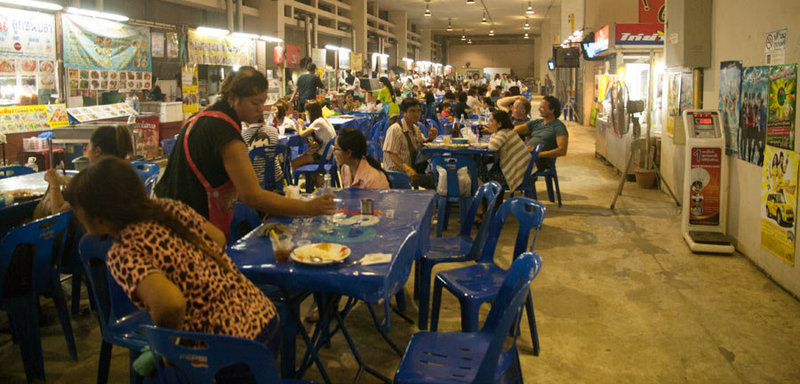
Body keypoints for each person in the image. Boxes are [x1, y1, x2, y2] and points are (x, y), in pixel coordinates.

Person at [64, 156, 282, 356]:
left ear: (100, 217)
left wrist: (169, 346)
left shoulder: (123, 251)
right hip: (264, 320)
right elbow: (217, 238)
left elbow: (170, 303)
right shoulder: (169, 208)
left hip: (226, 348)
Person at [155, 66, 335, 234]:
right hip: (186, 225)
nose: (260, 110)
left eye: (262, 103)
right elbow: (252, 195)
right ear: (233, 98)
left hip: (173, 214)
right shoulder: (223, 131)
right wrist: (309, 207)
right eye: (255, 103)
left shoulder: (202, 117)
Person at [43, 125, 133, 214]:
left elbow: (58, 212)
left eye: (89, 144)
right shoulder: (126, 174)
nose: (86, 148)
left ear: (97, 151)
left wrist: (54, 183)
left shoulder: (93, 180)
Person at [382, 98, 437, 189]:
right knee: (433, 182)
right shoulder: (395, 129)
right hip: (396, 174)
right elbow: (392, 154)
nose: (416, 114)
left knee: (436, 176)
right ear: (403, 113)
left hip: (411, 169)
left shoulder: (415, 128)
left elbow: (422, 142)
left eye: (418, 111)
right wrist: (408, 170)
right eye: (412, 111)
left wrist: (430, 139)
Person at [479, 110, 531, 191]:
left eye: (491, 121)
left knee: (478, 173)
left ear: (499, 124)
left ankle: (485, 200)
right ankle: (493, 200)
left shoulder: (502, 134)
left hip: (518, 175)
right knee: (485, 168)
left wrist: (492, 134)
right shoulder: (508, 131)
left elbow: (492, 147)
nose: (488, 123)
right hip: (525, 171)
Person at [514, 95, 568, 169]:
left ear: (552, 110)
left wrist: (538, 154)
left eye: (542, 107)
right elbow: (514, 130)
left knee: (508, 164)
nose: (539, 109)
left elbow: (562, 151)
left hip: (540, 160)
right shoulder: (536, 123)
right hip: (527, 156)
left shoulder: (559, 127)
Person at [241, 117, 283, 191]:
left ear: (246, 122)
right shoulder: (274, 130)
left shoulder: (243, 135)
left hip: (254, 182)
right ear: (263, 119)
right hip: (276, 178)